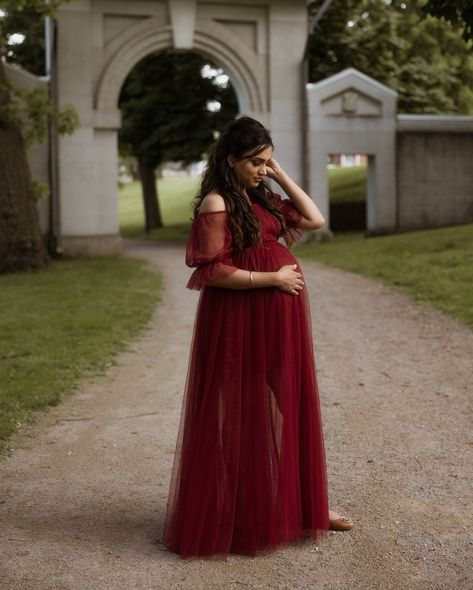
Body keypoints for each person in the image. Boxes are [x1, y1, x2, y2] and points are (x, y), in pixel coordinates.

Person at [162, 116, 354, 559]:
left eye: (266, 162)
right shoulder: (216, 203)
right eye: (254, 162)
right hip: (238, 322)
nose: (261, 170)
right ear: (231, 159)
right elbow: (211, 271)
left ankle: (312, 508)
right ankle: (227, 515)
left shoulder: (263, 197)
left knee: (294, 405)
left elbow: (315, 219)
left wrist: (279, 173)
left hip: (278, 321)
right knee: (239, 412)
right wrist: (271, 278)